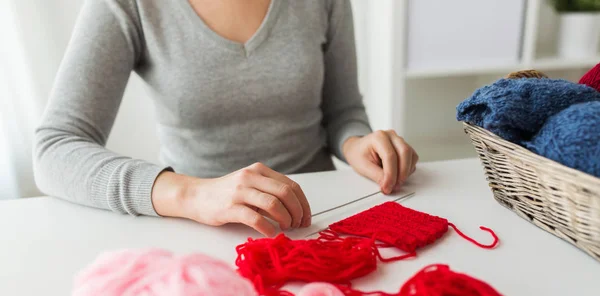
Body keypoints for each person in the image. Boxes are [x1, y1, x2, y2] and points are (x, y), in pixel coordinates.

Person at [34, 0, 419, 237]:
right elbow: (54, 150)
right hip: (199, 229)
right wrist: (192, 193)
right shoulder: (128, 4)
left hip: (315, 217)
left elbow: (343, 111)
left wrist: (356, 142)